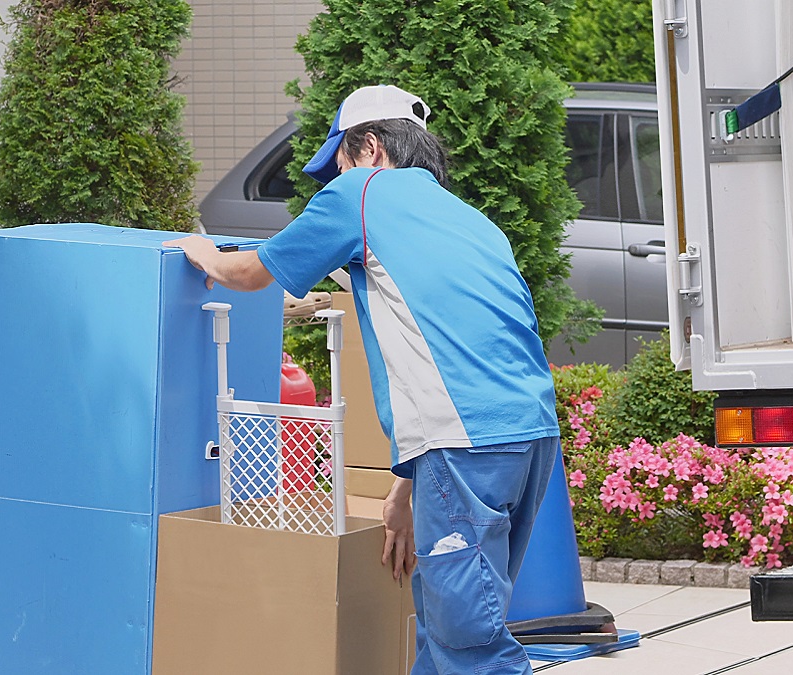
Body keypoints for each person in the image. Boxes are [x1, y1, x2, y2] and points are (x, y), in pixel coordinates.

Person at [166, 84, 559, 675]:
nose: (334, 179)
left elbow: (251, 272)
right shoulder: (468, 219)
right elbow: (462, 347)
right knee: (448, 622)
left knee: (469, 642)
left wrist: (205, 254)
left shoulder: (363, 192)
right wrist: (408, 487)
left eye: (340, 162)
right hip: (528, 435)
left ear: (371, 147)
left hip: (466, 443)